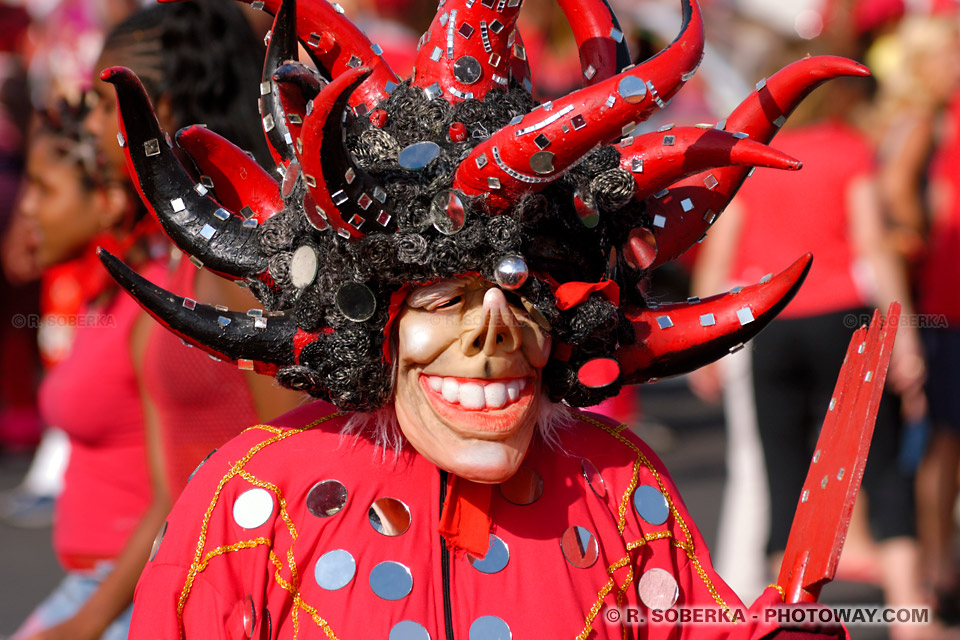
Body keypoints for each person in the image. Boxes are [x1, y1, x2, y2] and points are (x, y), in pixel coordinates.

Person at [109, 0, 884, 637]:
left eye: (525, 292)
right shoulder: (256, 498)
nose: (494, 330)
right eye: (444, 296)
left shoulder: (618, 483)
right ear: (369, 322)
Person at [9, 2, 302, 639]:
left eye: (100, 99)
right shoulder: (182, 253)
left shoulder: (238, 265)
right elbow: (178, 487)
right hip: (172, 586)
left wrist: (95, 619)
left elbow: (295, 464)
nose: (87, 122)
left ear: (158, 113)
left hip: (235, 600)